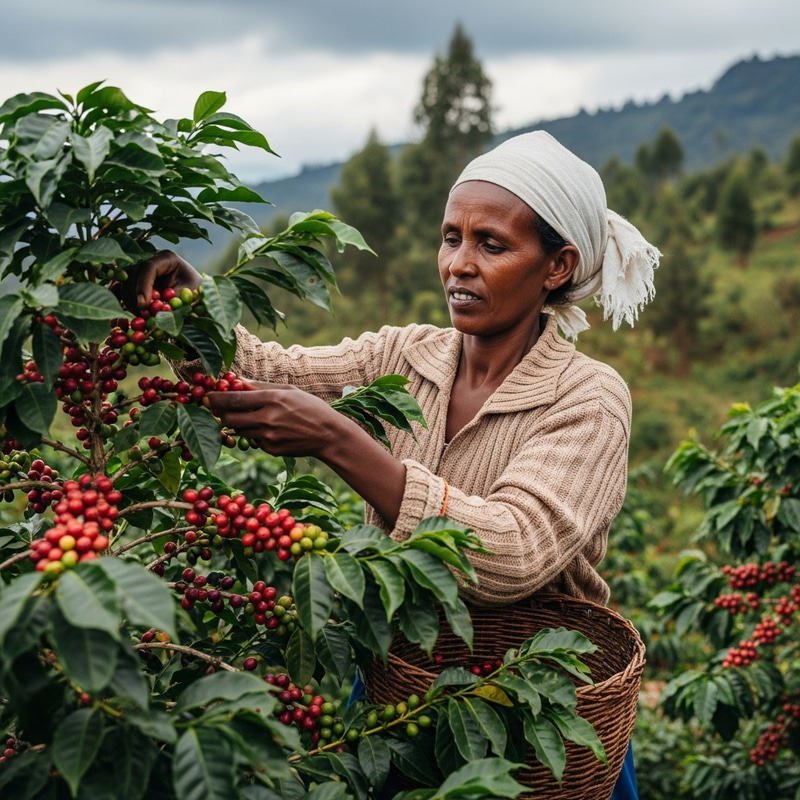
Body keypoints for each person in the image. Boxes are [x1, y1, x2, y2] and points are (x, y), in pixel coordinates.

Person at [127, 131, 659, 799]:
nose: (458, 265)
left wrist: (340, 442)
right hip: (397, 694)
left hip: (534, 718)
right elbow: (269, 373)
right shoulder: (409, 355)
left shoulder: (589, 397)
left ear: (557, 266)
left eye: (491, 245)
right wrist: (192, 304)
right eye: (451, 238)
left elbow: (512, 551)